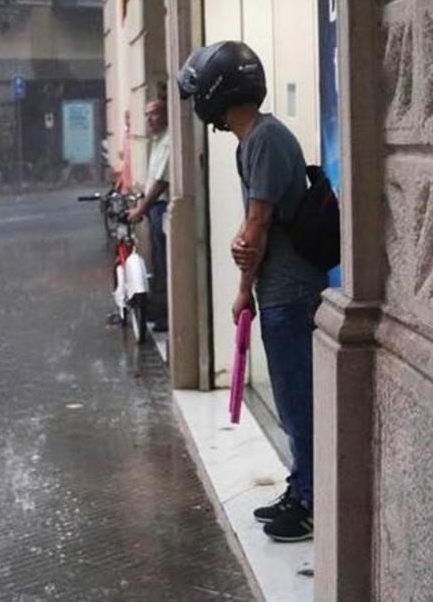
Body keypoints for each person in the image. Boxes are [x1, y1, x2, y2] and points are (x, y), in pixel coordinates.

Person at [178, 41, 327, 543]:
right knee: (290, 399)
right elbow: (252, 227)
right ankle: (301, 485)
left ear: (215, 93)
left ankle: (310, 503)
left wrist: (243, 288)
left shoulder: (263, 139)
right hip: (281, 288)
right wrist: (245, 248)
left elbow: (257, 223)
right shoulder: (257, 139)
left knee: (296, 400)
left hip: (288, 292)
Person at [127, 96, 171, 331]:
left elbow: (161, 182)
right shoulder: (157, 141)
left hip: (160, 208)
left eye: (154, 113)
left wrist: (141, 209)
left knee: (164, 263)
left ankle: (166, 313)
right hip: (154, 208)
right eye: (146, 115)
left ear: (166, 114)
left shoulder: (168, 141)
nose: (149, 119)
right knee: (157, 260)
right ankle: (159, 309)